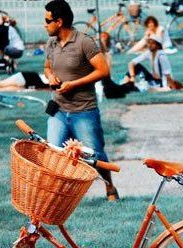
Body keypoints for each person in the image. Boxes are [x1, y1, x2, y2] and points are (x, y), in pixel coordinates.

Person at [43, 0, 118, 201]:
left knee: (95, 155)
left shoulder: (84, 42)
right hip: (58, 109)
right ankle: (57, 198)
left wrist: (74, 84)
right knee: (54, 155)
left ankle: (110, 188)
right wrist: (50, 77)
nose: (44, 24)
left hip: (84, 110)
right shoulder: (51, 43)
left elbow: (103, 70)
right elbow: (47, 67)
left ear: (59, 22)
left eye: (47, 20)